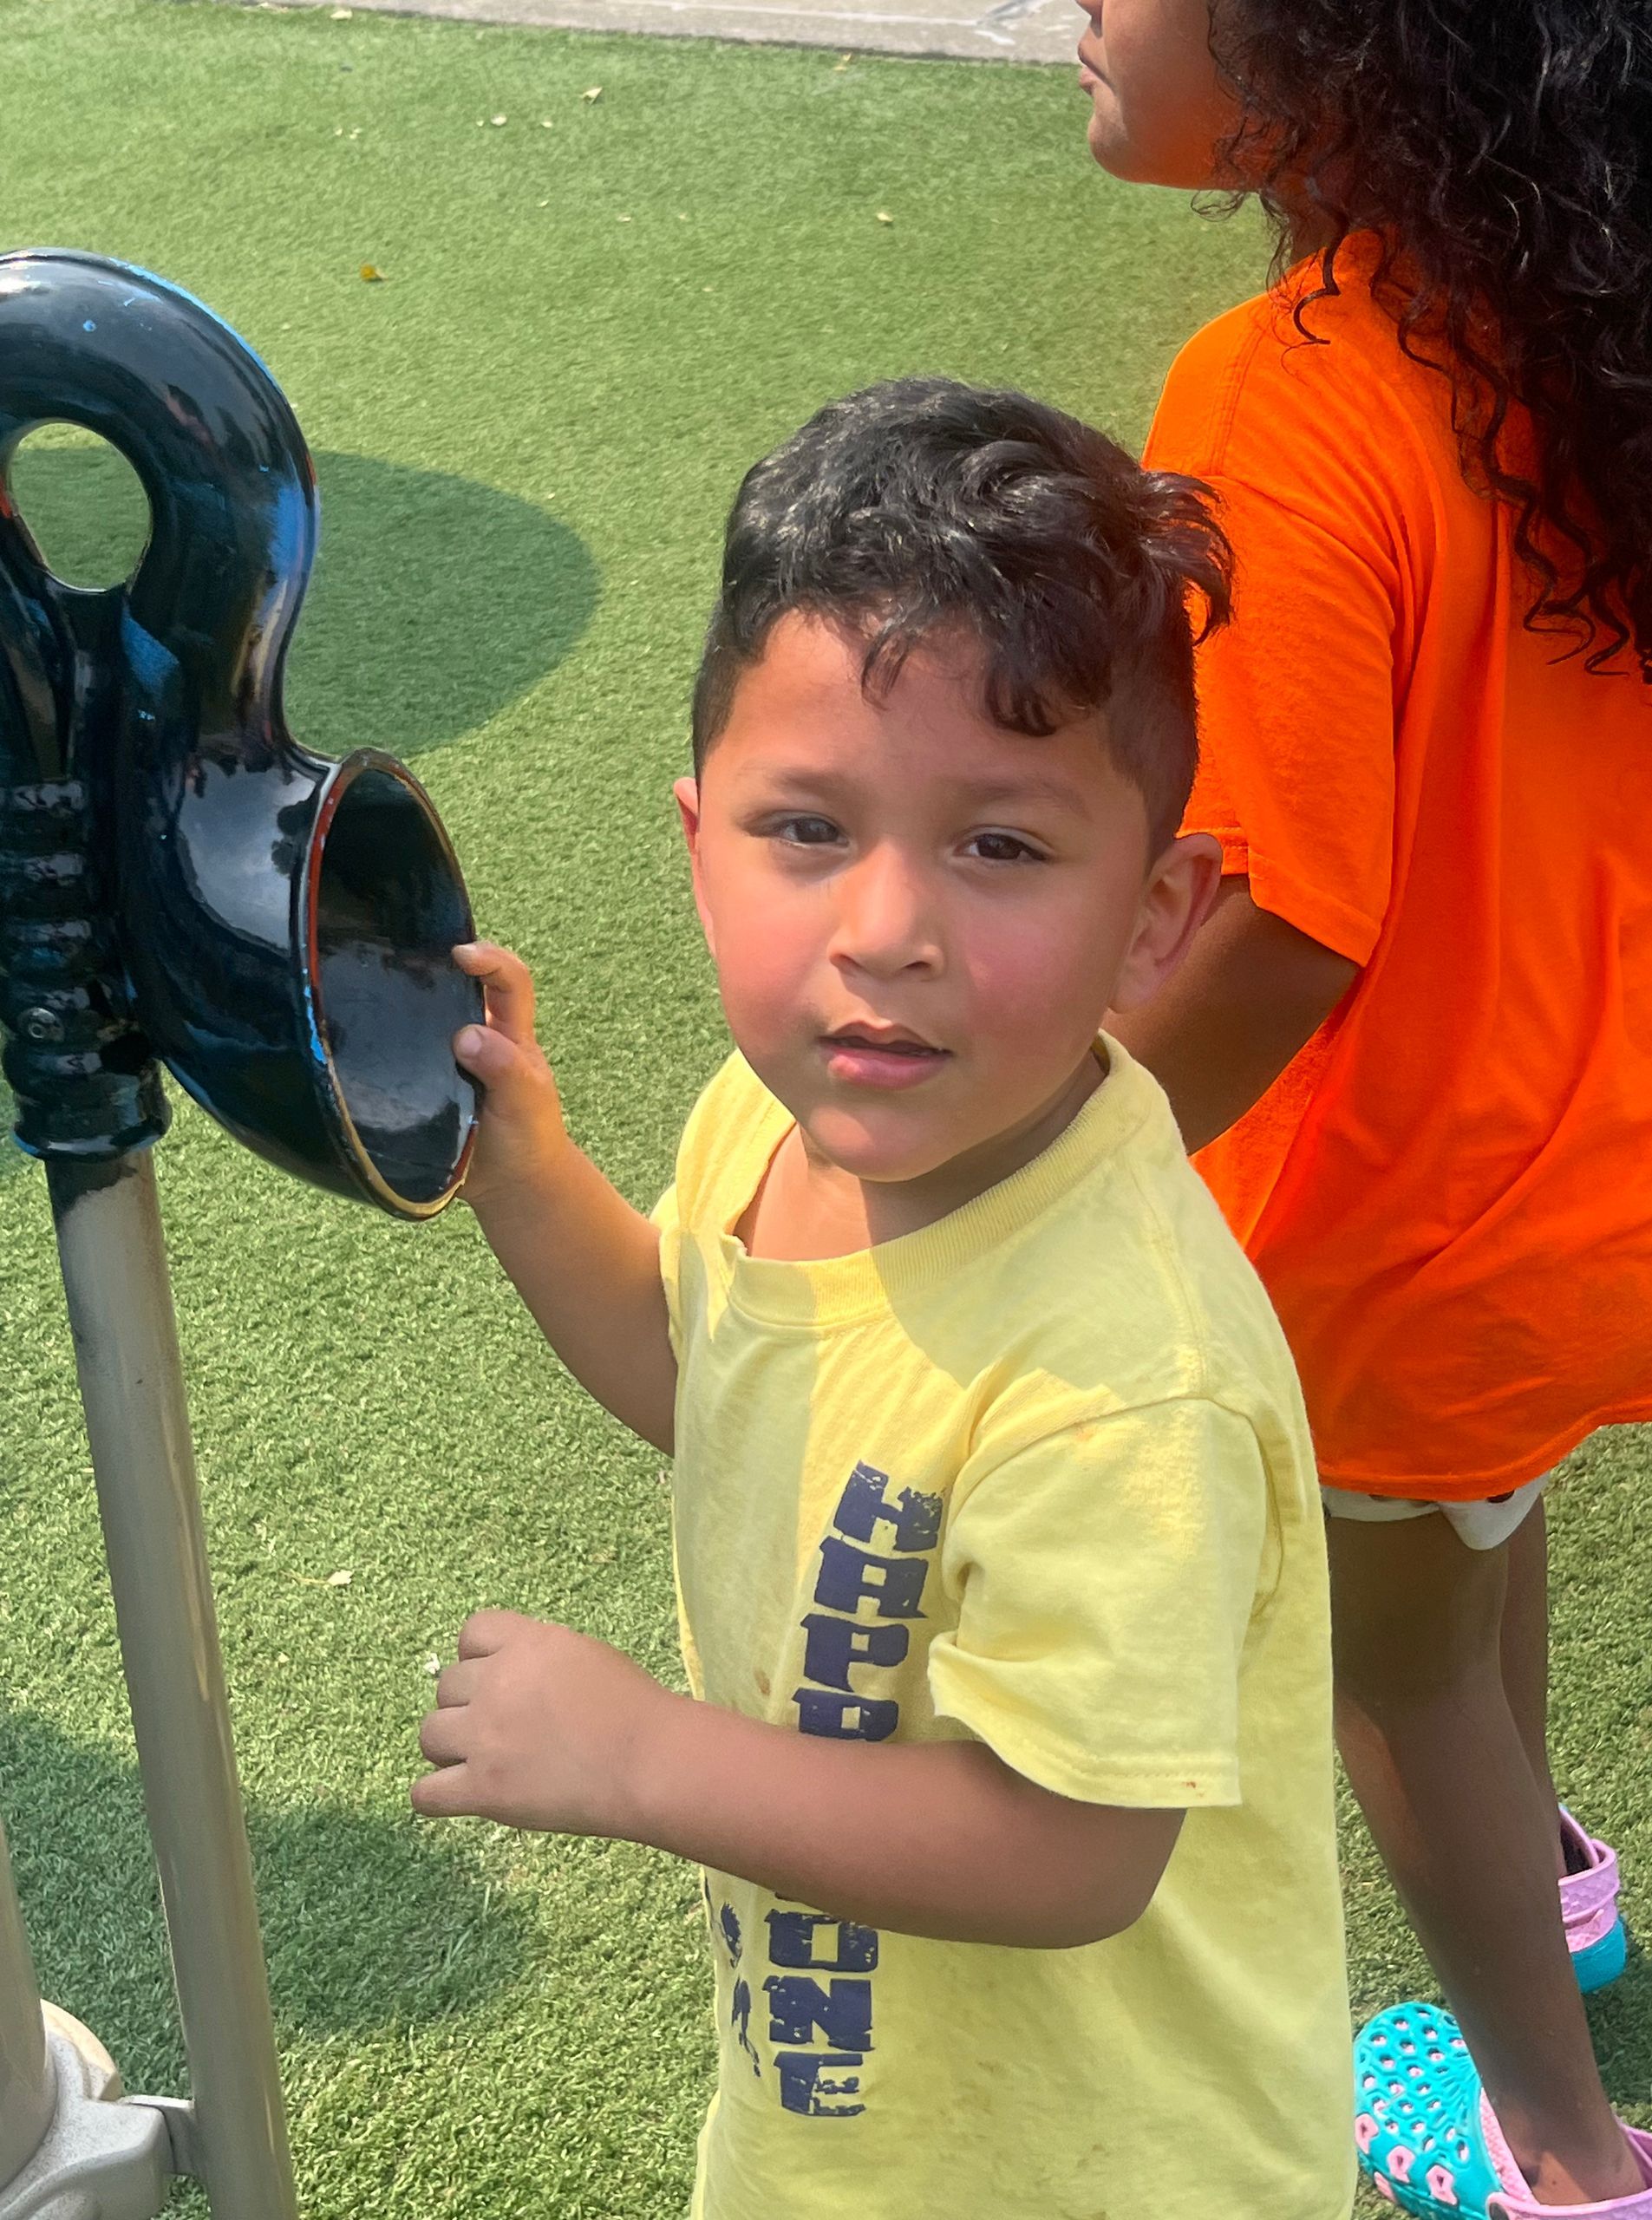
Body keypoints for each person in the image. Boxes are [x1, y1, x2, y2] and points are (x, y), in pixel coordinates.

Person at [408, 376, 1355, 2219]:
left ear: (1156, 913)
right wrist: (530, 1176)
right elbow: (712, 1366)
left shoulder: (1122, 1372)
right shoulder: (780, 1121)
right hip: (858, 2122)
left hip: (1110, 2167)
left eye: (1001, 844)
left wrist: (645, 1755)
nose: (886, 928)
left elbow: (1075, 1842)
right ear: (696, 843)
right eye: (806, 828)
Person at [1074, 0, 1652, 2213]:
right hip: (1598, 1160)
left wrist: (1027, 1175)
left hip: (1407, 1224)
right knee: (1480, 1528)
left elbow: (1287, 925)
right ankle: (1569, 1871)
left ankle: (1567, 2154)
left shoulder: (1290, 381)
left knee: (1390, 1662)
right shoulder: (1583, 315)